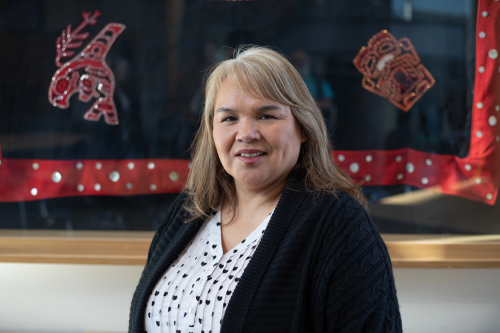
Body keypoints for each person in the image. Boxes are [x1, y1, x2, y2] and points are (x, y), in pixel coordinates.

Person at [129, 45, 402, 333]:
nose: (246, 133)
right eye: (229, 118)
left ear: (304, 127)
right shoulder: (189, 208)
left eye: (266, 116)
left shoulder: (340, 227)